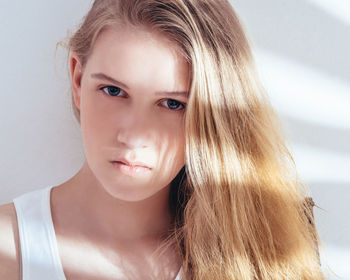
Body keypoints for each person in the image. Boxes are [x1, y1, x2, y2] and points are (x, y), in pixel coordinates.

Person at [0, 0, 325, 279]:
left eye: (173, 104)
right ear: (78, 79)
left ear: (212, 115)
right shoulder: (7, 248)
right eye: (113, 91)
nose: (133, 136)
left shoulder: (268, 250)